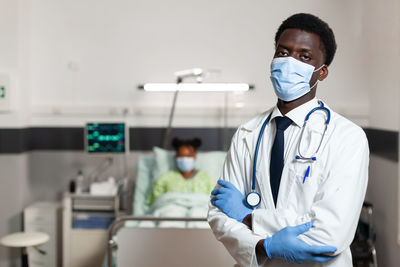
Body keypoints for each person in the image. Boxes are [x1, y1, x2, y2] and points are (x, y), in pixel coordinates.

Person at [208, 13, 369, 267]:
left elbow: (330, 235)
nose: (289, 62)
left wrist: (249, 218)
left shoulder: (346, 137)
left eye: (304, 56)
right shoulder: (247, 134)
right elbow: (220, 217)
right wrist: (264, 247)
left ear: (322, 72)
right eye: (283, 53)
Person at [146, 137, 214, 205]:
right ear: (175, 157)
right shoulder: (166, 178)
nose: (184, 159)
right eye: (181, 156)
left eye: (188, 156)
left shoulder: (206, 178)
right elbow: (155, 202)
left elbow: (213, 202)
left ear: (195, 156)